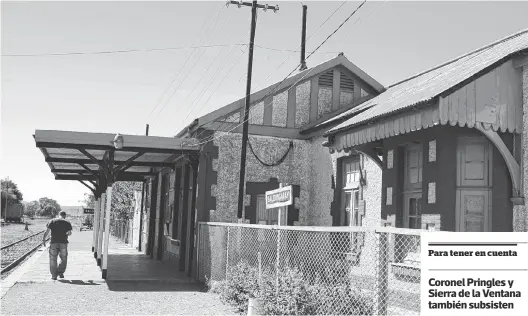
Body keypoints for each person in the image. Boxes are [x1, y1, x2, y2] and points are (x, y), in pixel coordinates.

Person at [42, 211, 73, 280]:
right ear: (65, 216)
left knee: (53, 259)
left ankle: (54, 276)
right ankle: (60, 272)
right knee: (64, 258)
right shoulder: (67, 222)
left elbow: (47, 231)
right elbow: (69, 233)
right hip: (63, 243)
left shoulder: (52, 221)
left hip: (53, 243)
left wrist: (44, 240)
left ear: (59, 215)